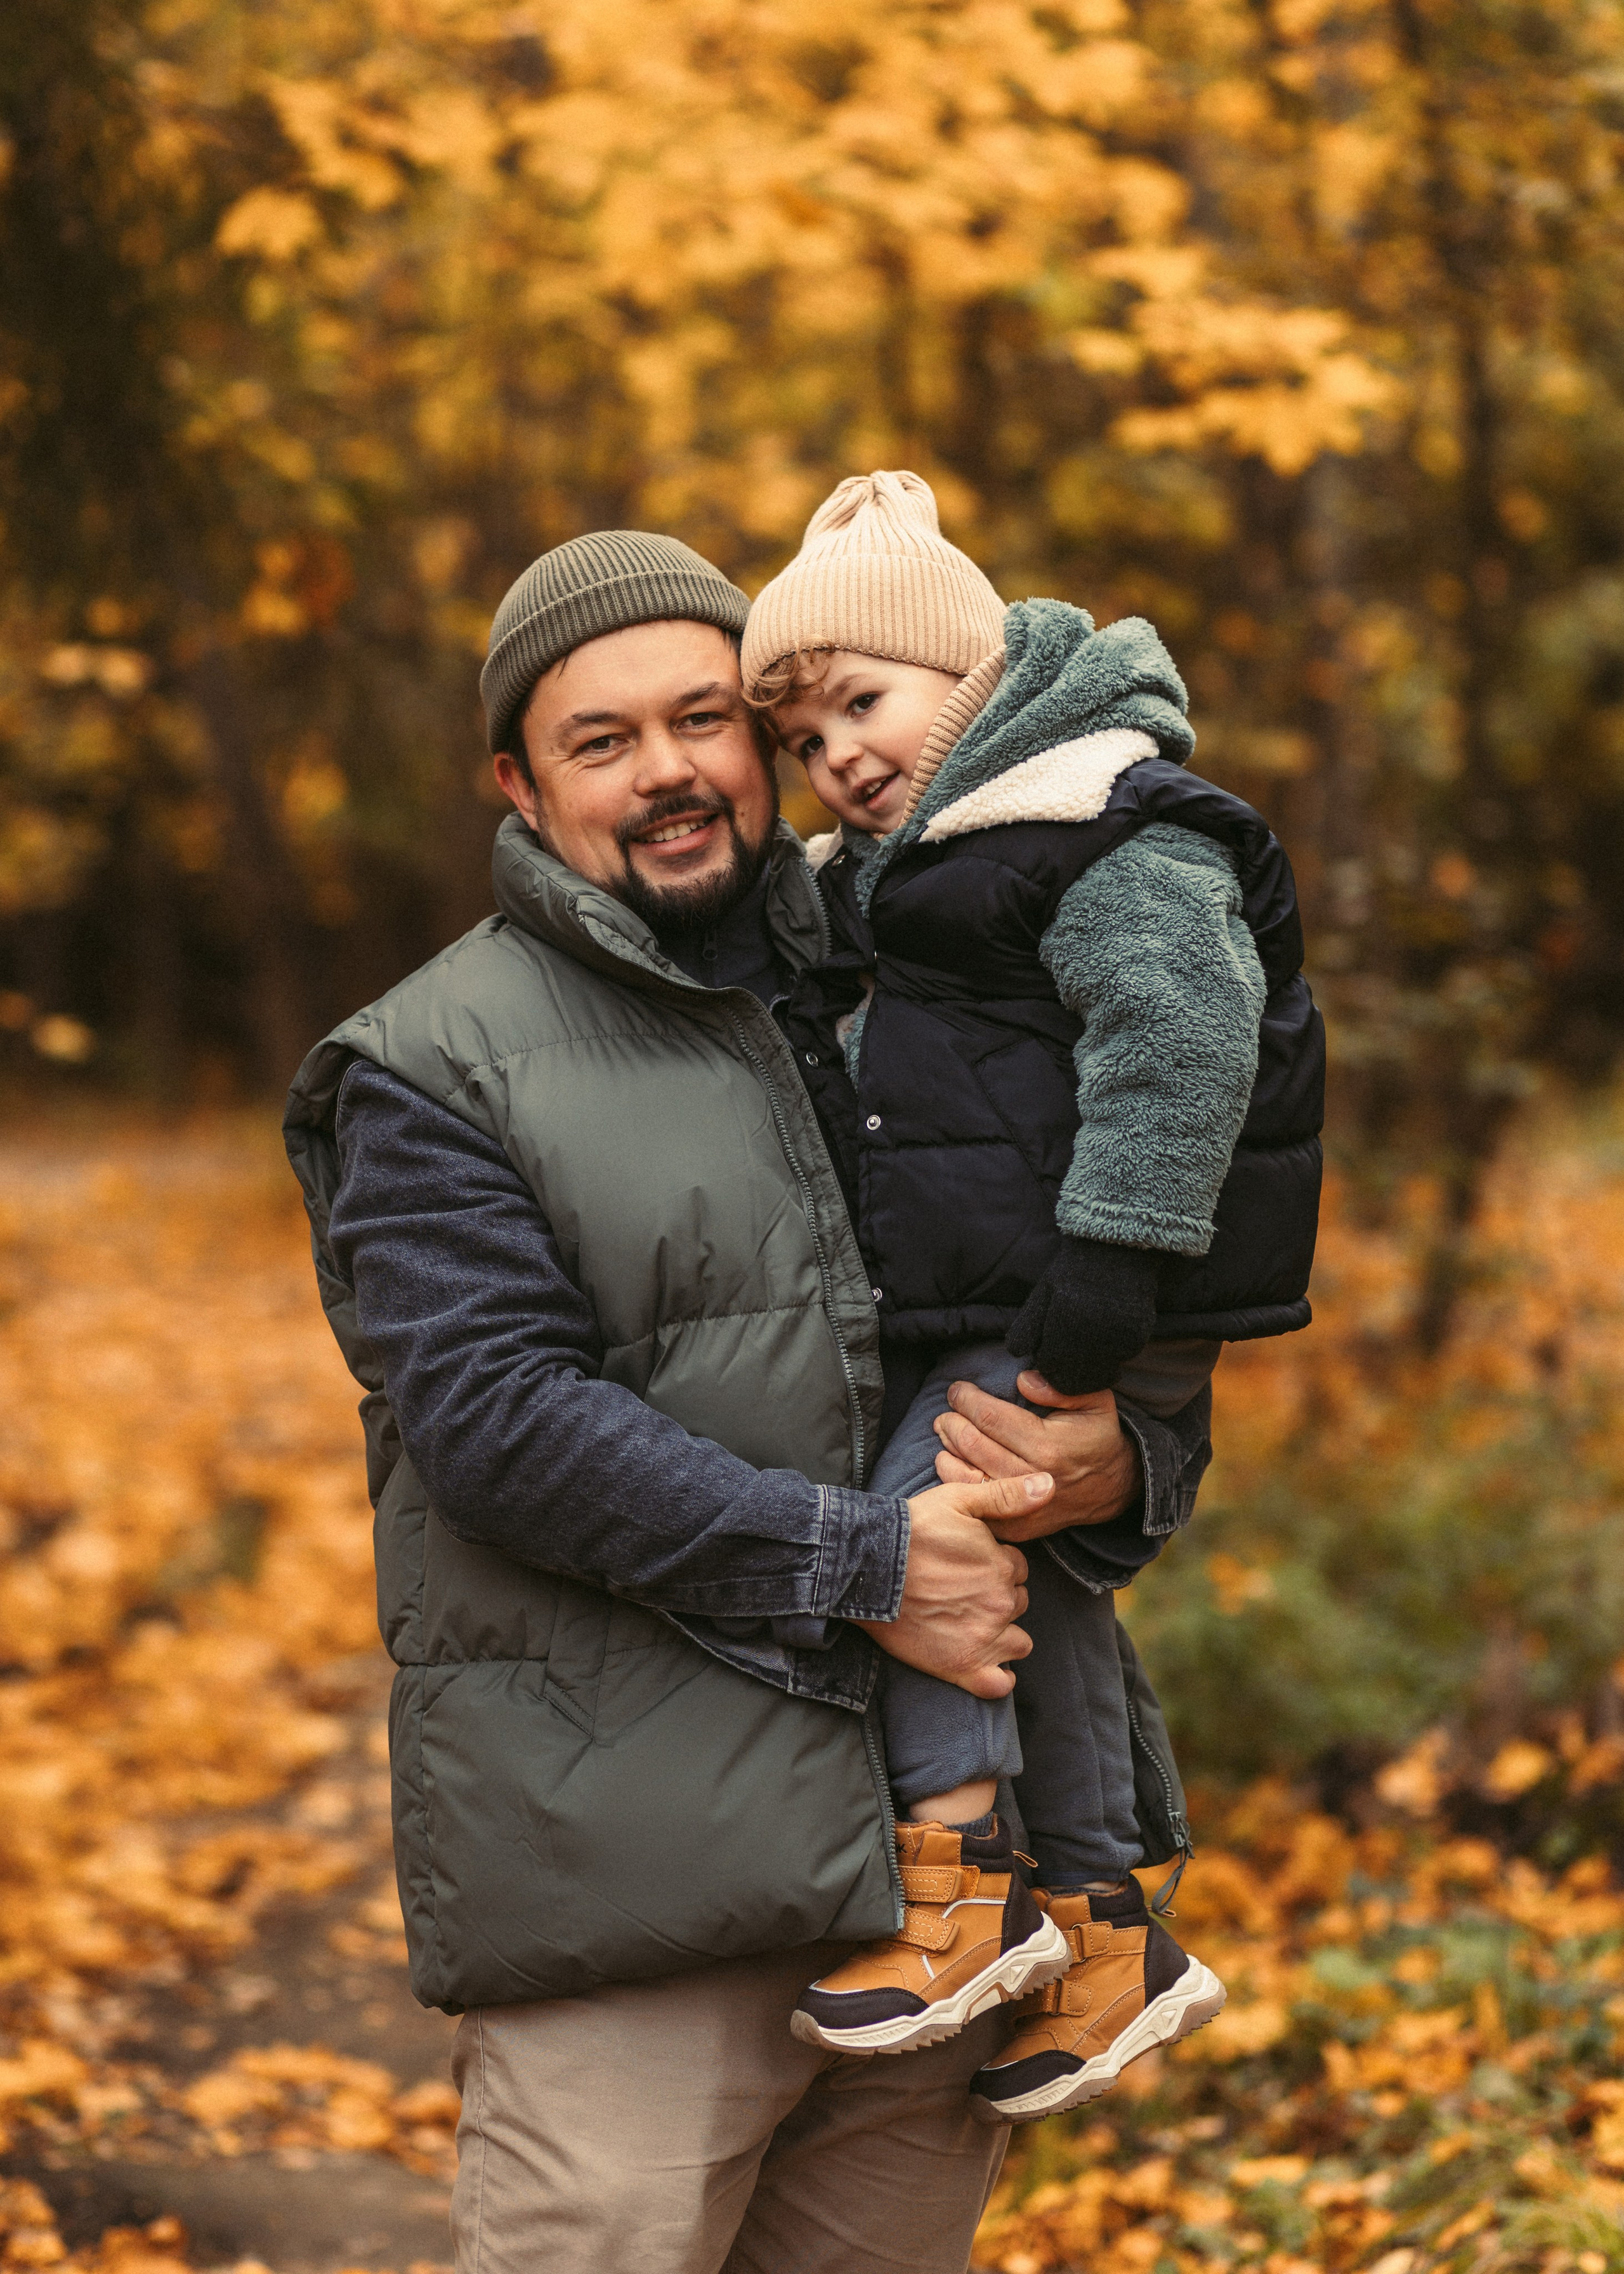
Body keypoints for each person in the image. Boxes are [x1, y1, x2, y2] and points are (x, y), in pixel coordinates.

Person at [284, 528, 1217, 2274]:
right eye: (603, 740)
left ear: (770, 728)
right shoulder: (427, 1066)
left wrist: (1129, 1460)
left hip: (950, 1901)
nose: (671, 776)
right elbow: (494, 1423)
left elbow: (1104, 1268)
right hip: (637, 1887)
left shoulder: (929, 955)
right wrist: (868, 1562)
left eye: (706, 720)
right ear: (518, 779)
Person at [743, 471, 1324, 2121]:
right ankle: (1105, 1925)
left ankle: (959, 1878)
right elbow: (825, 928)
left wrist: (1102, 1288)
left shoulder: (1100, 818)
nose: (840, 754)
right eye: (805, 737)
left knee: (920, 1524)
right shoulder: (934, 854)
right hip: (1023, 1284)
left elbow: (1186, 1043)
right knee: (1036, 1579)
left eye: (864, 699)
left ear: (976, 676)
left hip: (1075, 1286)